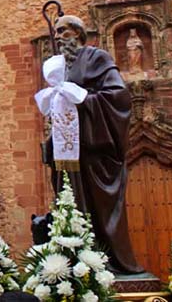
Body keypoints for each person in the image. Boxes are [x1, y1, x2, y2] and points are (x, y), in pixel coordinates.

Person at [42, 14, 142, 274]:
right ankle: (75, 262)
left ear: (78, 33)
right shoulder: (58, 67)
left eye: (64, 31)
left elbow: (117, 95)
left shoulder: (97, 58)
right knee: (70, 203)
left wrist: (82, 99)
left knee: (100, 207)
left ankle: (109, 261)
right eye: (57, 31)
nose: (58, 36)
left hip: (95, 147)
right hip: (69, 151)